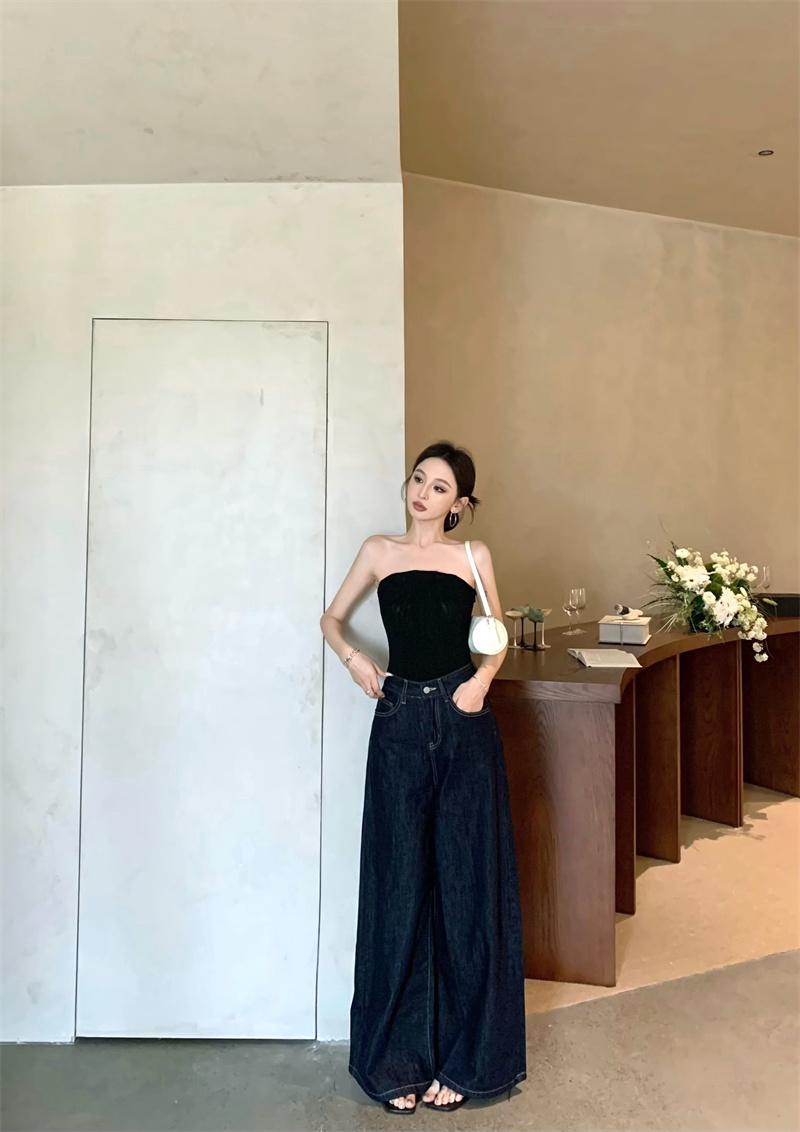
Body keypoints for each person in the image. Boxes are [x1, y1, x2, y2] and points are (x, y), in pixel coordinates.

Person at [319, 440, 527, 1114]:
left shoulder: (473, 556)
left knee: (468, 886)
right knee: (398, 884)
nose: (423, 493)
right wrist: (354, 659)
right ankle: (396, 1062)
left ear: (459, 504)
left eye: (439, 487)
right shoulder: (379, 551)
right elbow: (330, 617)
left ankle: (471, 1062)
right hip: (399, 719)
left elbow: (498, 633)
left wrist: (481, 684)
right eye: (418, 479)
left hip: (464, 720)